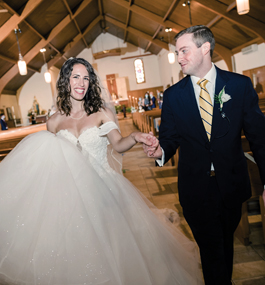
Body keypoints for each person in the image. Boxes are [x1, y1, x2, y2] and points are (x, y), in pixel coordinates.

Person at [0, 57, 203, 284]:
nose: (81, 83)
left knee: (114, 251)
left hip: (104, 192)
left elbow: (117, 144)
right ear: (66, 80)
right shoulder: (54, 121)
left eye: (86, 78)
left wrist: (135, 136)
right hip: (71, 196)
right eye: (76, 76)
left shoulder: (100, 113)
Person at [143, 25, 265, 285]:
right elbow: (169, 139)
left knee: (223, 246)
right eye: (178, 52)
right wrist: (159, 150)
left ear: (205, 47)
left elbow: (259, 139)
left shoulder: (239, 86)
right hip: (196, 188)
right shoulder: (174, 96)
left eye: (184, 50)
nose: (179, 58)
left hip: (231, 184)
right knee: (212, 250)